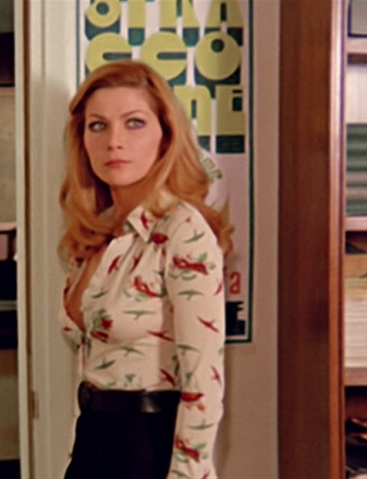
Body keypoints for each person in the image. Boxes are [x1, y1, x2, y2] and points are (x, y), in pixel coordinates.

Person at [58, 60, 232, 479]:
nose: (114, 142)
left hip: (150, 448)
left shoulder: (183, 230)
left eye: (134, 123)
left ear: (165, 136)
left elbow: (204, 382)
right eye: (98, 126)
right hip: (93, 442)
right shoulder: (95, 235)